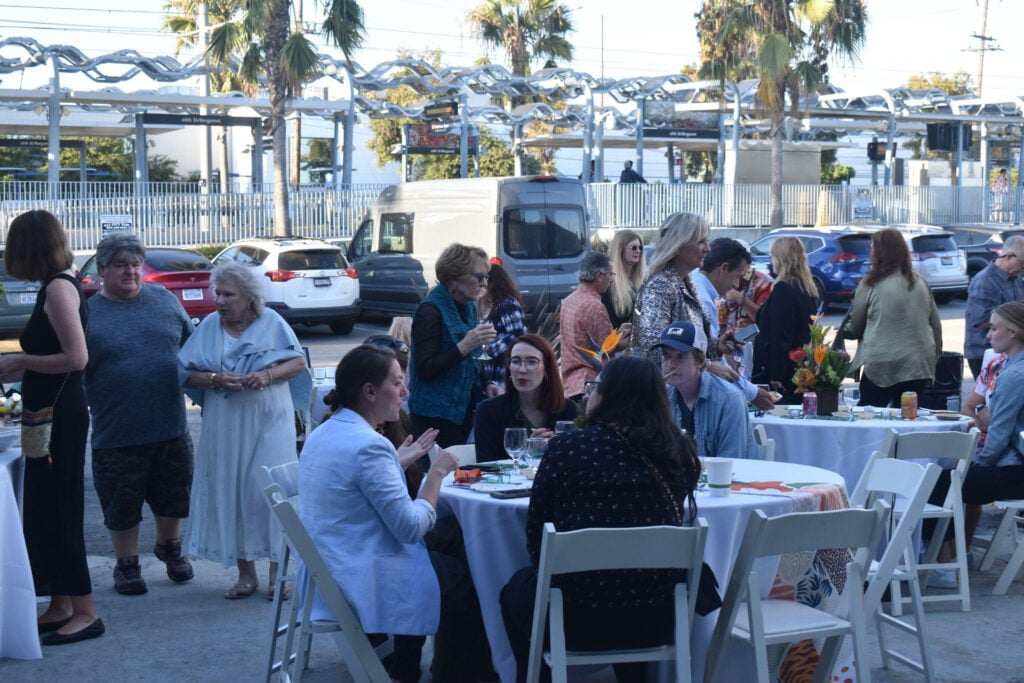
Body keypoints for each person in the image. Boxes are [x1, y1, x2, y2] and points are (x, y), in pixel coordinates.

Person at [500, 355, 700, 683]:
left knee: (516, 590)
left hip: (574, 619)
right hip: (658, 619)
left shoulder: (568, 450)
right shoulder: (678, 453)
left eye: (595, 387)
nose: (589, 395)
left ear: (608, 396)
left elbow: (538, 542)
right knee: (634, 583)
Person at [301, 345, 493, 683]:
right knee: (471, 574)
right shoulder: (369, 445)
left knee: (461, 532)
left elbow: (354, 485)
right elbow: (411, 528)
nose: (404, 392)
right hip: (363, 567)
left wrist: (395, 462)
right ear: (370, 391)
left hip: (335, 556)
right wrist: (437, 473)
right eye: (397, 383)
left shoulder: (327, 430)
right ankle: (456, 673)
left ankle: (408, 663)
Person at [178, 262, 312, 599]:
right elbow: (184, 372)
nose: (220, 301)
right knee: (232, 490)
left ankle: (278, 575)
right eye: (218, 294)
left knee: (269, 491)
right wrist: (214, 379)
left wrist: (267, 376)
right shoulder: (209, 326)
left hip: (270, 422)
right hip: (224, 424)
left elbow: (297, 363)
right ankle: (245, 575)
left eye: (228, 295)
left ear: (249, 297)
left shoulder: (272, 323)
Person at [0, 210, 100, 645]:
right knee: (44, 508)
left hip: (60, 415)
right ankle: (60, 603)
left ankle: (86, 611)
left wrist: (20, 362)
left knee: (60, 509)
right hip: (47, 413)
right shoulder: (54, 285)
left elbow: (77, 359)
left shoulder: (59, 289)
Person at [84, 234, 195, 597]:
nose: (130, 271)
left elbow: (192, 347)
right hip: (116, 431)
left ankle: (169, 549)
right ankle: (127, 565)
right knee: (121, 505)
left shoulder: (164, 299)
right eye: (120, 265)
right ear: (102, 270)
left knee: (173, 497)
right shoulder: (87, 313)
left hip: (169, 426)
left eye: (135, 264)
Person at [927, 302, 1024, 586]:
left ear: (1015, 332)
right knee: (947, 477)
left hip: (1013, 472)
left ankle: (944, 565)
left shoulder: (1014, 375)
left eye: (995, 328)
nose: (989, 336)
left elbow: (996, 440)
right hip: (1014, 467)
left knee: (936, 482)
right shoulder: (1011, 368)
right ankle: (950, 556)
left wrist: (973, 463)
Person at [842, 228, 942, 408]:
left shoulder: (870, 284)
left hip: (882, 365)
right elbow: (935, 324)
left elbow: (855, 326)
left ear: (878, 253)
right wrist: (934, 359)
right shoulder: (919, 281)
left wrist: (843, 331)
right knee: (907, 417)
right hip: (918, 364)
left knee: (870, 415)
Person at [409, 243, 498, 447]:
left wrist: (487, 384)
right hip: (434, 415)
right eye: (479, 277)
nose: (484, 283)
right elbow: (424, 369)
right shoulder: (430, 311)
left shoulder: (467, 306)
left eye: (486, 277)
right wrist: (465, 346)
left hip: (462, 409)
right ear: (454, 279)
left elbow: (472, 359)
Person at [691, 238, 774, 409]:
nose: (736, 284)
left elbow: (699, 349)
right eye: (737, 277)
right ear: (723, 268)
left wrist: (716, 346)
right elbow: (700, 359)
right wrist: (751, 392)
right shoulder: (703, 299)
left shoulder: (696, 285)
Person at [657, 320, 757, 460]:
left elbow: (732, 462)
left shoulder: (730, 399)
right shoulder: (660, 397)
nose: (671, 365)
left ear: (701, 360)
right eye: (667, 355)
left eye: (681, 357)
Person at [474, 334, 578, 461]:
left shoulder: (567, 410)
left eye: (531, 362)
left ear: (546, 369)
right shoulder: (488, 411)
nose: (522, 370)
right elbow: (486, 467)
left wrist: (553, 448)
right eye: (516, 361)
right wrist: (529, 452)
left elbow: (576, 461)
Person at [752, 236, 820, 403]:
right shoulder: (807, 288)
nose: (771, 260)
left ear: (782, 259)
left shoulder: (783, 288)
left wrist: (776, 374)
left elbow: (780, 335)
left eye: (773, 256)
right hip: (800, 365)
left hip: (783, 369)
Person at [559, 252, 631, 400]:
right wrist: (634, 339)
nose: (611, 280)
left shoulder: (569, 300)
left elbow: (586, 338)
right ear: (599, 276)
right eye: (611, 275)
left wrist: (618, 333)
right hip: (590, 384)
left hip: (570, 383)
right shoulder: (594, 306)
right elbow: (608, 349)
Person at [964, 235, 1024, 377]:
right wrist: (1013, 315)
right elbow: (980, 321)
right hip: (984, 352)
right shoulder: (984, 281)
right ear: (1009, 256)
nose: (1022, 269)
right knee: (990, 397)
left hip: (1009, 350)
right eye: (1022, 264)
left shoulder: (1016, 279)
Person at [480, 263, 527, 388]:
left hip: (503, 375)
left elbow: (517, 337)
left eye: (483, 282)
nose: (479, 287)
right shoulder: (492, 306)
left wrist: (489, 350)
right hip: (493, 374)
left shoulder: (508, 305)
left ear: (492, 284)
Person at [602, 229, 646, 328]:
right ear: (620, 250)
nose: (638, 251)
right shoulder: (608, 283)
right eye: (633, 248)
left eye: (640, 247)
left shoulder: (644, 280)